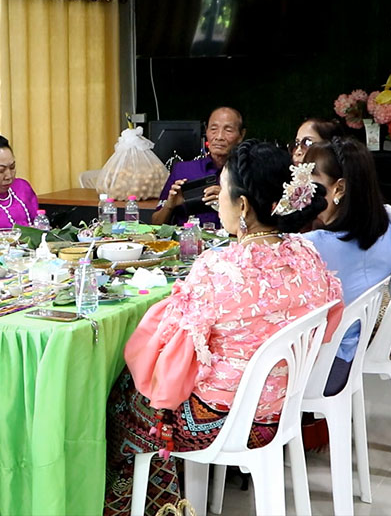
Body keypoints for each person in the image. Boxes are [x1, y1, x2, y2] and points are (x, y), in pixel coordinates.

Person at [104, 140, 343, 515]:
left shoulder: (218, 268)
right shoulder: (307, 253)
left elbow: (170, 348)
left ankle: (143, 505)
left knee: (122, 400)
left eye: (223, 190)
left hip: (222, 420)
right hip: (281, 409)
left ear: (243, 205)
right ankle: (166, 502)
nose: (218, 202)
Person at [301, 137, 391, 395]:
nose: (302, 189)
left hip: (321, 368)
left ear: (339, 188)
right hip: (358, 351)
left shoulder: (311, 245)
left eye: (311, 180)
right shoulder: (390, 221)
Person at [152, 106, 247, 227]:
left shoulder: (248, 173)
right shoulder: (183, 170)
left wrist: (229, 201)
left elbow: (260, 225)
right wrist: (169, 206)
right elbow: (155, 223)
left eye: (228, 130)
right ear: (206, 131)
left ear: (241, 135)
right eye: (213, 129)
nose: (219, 137)